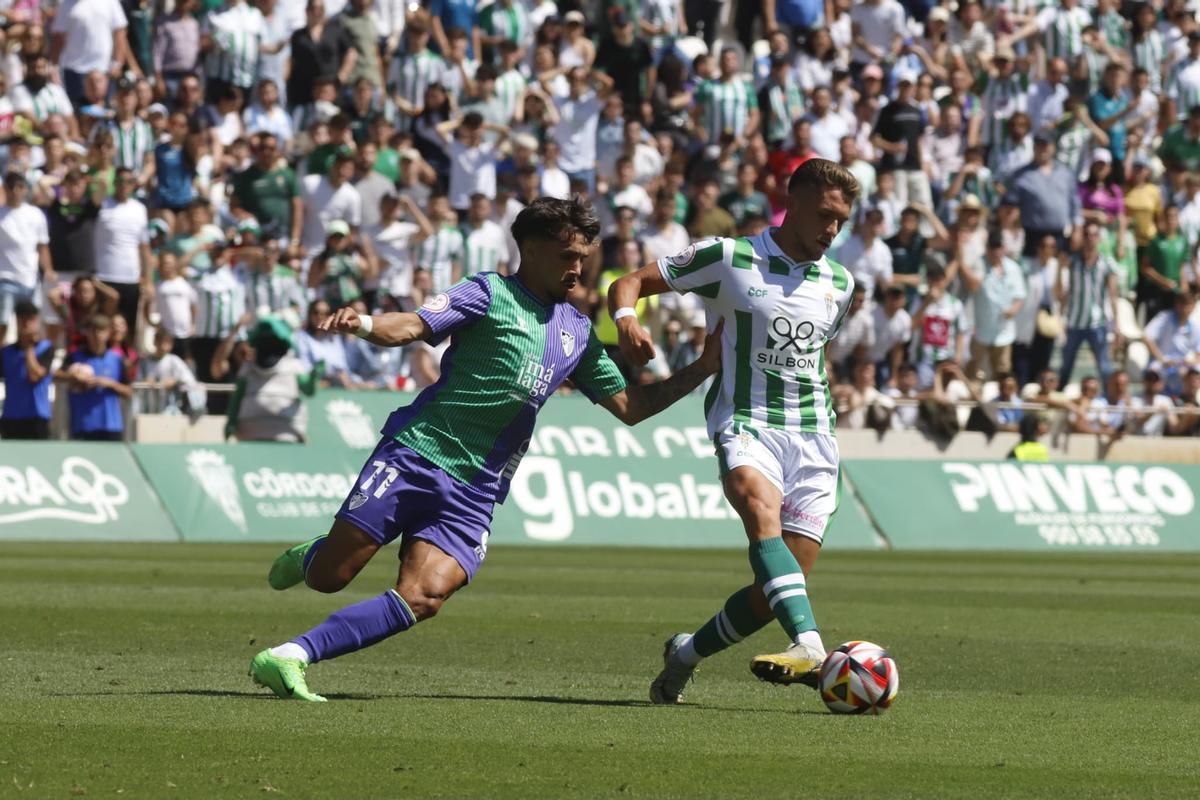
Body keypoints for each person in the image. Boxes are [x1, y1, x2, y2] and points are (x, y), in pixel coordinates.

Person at [248, 197, 724, 701]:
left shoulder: (578, 332)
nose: (577, 269)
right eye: (567, 256)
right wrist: (363, 324)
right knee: (331, 577)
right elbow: (412, 325)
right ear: (532, 250)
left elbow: (631, 407)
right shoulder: (488, 292)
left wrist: (702, 367)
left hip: (477, 490)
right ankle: (314, 558)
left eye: (583, 257)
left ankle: (288, 656)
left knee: (426, 596)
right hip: (417, 454)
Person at [609, 159, 861, 702]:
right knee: (758, 510)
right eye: (823, 216)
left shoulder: (840, 282)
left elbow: (817, 356)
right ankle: (812, 645)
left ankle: (684, 654)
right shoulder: (728, 256)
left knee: (774, 591)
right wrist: (628, 321)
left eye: (841, 221)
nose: (831, 231)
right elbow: (628, 282)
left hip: (815, 437)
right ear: (790, 201)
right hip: (746, 420)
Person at [226, 317, 321, 443]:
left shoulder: (293, 366)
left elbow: (308, 389)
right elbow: (237, 397)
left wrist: (314, 375)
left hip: (286, 432)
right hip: (249, 434)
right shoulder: (247, 369)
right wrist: (231, 422)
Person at [1057, 221, 1120, 386]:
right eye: (1087, 235)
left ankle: (1109, 402)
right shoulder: (1072, 262)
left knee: (1104, 366)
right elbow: (1061, 292)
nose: (1091, 238)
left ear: (1099, 238)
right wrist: (1058, 268)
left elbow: (1113, 295)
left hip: (1097, 322)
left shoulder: (1107, 263)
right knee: (1066, 367)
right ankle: (1059, 397)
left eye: (1094, 234)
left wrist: (1116, 323)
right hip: (1074, 321)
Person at [961, 229, 1027, 382]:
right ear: (987, 248)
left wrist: (1013, 309)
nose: (996, 252)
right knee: (972, 370)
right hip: (981, 330)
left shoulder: (1013, 268)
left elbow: (1020, 295)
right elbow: (973, 286)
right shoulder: (979, 264)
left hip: (1004, 332)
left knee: (1002, 373)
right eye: (993, 248)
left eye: (999, 247)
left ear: (1003, 248)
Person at [0, 172, 56, 345]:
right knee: (2, 324)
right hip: (5, 278)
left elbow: (42, 246)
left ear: (25, 189)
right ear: (5, 189)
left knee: (30, 326)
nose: (16, 191)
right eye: (11, 187)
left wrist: (48, 269)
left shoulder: (36, 214)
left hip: (31, 280)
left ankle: (24, 366)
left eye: (20, 187)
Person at [56, 313, 132, 441]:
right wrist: (74, 376)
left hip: (110, 426)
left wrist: (109, 383)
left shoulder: (117, 360)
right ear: (87, 333)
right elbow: (56, 375)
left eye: (102, 331)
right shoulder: (75, 357)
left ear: (108, 334)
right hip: (83, 425)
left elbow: (129, 392)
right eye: (93, 330)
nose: (98, 335)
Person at [0, 301, 54, 439]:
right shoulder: (6, 352)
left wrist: (28, 346)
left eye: (30, 319)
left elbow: (35, 376)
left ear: (36, 320)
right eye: (22, 319)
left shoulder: (46, 348)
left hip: (37, 417)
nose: (26, 323)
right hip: (11, 417)